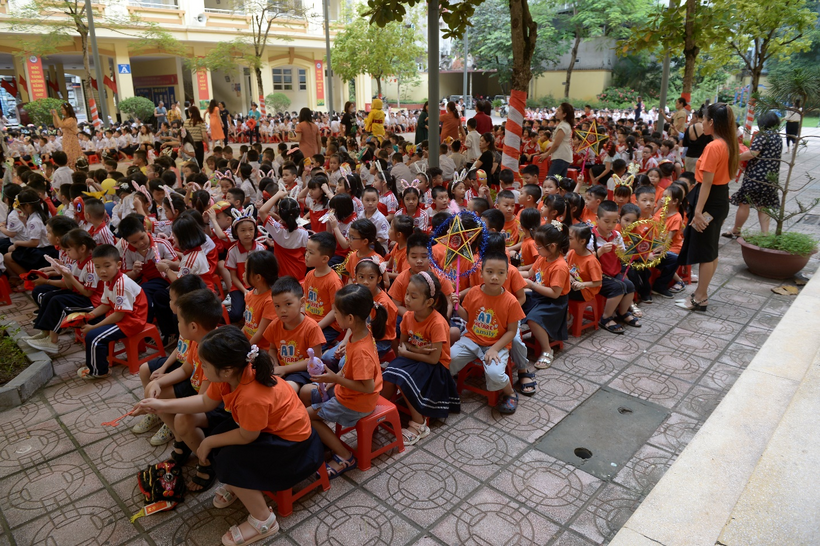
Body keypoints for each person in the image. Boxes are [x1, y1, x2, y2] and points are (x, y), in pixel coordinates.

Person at [135, 326, 324, 545]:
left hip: (293, 447)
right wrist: (160, 405)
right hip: (268, 431)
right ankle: (240, 486)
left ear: (225, 370)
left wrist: (208, 442)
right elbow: (205, 402)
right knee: (220, 443)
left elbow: (248, 436)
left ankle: (264, 520)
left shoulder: (251, 395)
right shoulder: (232, 373)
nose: (201, 369)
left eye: (204, 365)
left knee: (226, 459)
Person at [306, 284, 385, 478]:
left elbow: (366, 387)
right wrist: (335, 379)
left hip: (357, 402)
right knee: (307, 392)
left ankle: (345, 456)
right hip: (350, 394)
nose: (334, 316)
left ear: (349, 318)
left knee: (306, 416)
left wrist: (335, 378)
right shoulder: (359, 332)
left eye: (335, 313)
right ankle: (326, 441)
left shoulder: (360, 350)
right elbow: (349, 366)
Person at [677, 103, 739, 312]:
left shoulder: (714, 146)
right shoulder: (728, 143)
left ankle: (700, 297)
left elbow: (707, 182)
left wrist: (697, 211)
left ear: (712, 122)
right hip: (719, 200)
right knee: (711, 251)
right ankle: (700, 294)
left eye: (703, 119)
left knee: (705, 251)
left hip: (709, 202)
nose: (701, 122)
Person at [78, 244, 149, 379]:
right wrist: (89, 316)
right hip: (121, 316)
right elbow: (105, 305)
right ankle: (99, 360)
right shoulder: (108, 280)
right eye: (97, 267)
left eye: (107, 266)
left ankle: (100, 371)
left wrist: (93, 327)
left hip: (132, 321)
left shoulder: (122, 284)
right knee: (90, 324)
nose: (102, 271)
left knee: (93, 337)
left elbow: (119, 315)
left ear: (118, 264)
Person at [725, 111, 782, 236]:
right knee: (763, 205)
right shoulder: (777, 137)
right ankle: (765, 233)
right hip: (771, 178)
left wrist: (736, 157)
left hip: (755, 177)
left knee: (744, 203)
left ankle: (736, 230)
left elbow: (753, 153)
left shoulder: (762, 136)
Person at [539, 102, 574, 177]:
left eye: (559, 110)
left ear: (564, 114)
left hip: (560, 156)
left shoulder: (563, 126)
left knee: (551, 180)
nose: (556, 112)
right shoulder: (564, 124)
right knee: (559, 181)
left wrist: (547, 154)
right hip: (563, 155)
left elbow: (556, 144)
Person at [51, 102, 80, 168]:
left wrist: (56, 115)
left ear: (67, 110)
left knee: (70, 154)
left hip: (71, 138)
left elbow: (62, 125)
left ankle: (73, 168)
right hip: (65, 138)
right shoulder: (64, 119)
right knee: (66, 153)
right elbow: (56, 125)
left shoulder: (72, 119)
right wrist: (54, 116)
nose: (61, 111)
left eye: (62, 109)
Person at [683, 107, 712, 172]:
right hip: (700, 157)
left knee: (688, 178)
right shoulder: (707, 129)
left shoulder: (689, 128)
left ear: (697, 116)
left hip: (689, 156)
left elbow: (684, 143)